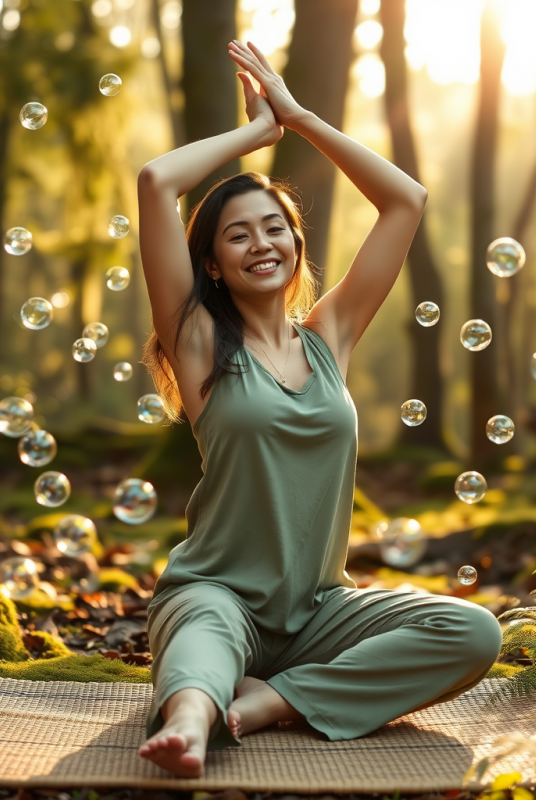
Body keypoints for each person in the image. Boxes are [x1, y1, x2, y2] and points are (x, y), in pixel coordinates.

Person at [136, 40, 503, 778]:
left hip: (321, 613)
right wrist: (257, 134)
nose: (260, 243)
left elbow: (406, 200)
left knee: (473, 632)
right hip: (217, 594)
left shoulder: (330, 337)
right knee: (203, 637)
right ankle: (190, 724)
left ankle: (270, 702)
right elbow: (155, 181)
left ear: (297, 245)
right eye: (237, 234)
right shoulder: (199, 343)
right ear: (212, 264)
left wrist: (299, 118)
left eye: (274, 227)